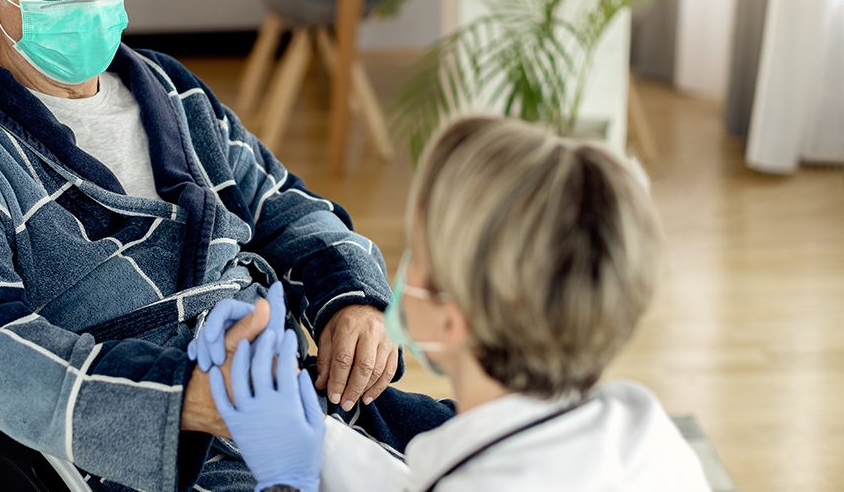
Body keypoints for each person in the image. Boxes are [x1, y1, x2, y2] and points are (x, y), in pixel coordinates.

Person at [0, 0, 453, 490]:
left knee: (508, 453)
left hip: (290, 390)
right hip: (146, 445)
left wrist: (351, 299)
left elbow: (283, 203)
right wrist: (181, 401)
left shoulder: (170, 91)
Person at [196, 116, 711, 492]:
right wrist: (315, 437)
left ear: (450, 316)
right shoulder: (643, 426)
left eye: (418, 254)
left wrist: (289, 475)